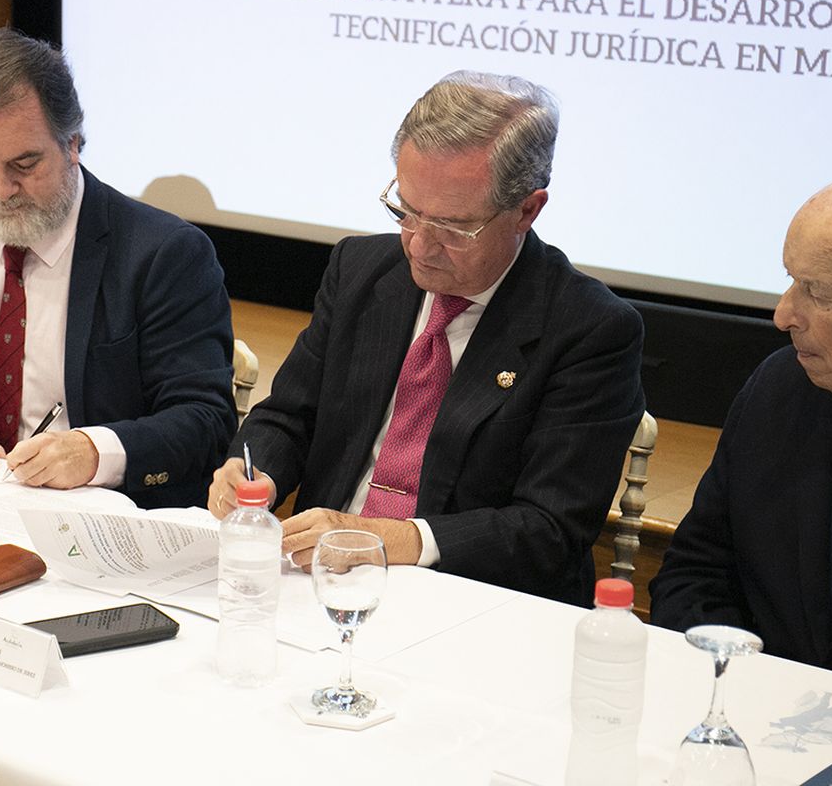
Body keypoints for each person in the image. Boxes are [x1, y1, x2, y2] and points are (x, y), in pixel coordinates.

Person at [208, 71, 645, 605]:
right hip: (318, 583)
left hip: (472, 602)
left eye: (453, 228)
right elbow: (289, 416)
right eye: (407, 211)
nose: (419, 245)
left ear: (527, 210)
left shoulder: (589, 328)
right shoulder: (360, 269)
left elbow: (549, 529)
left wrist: (388, 539)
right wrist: (253, 473)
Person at [0, 27, 236, 508]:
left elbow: (204, 420)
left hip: (90, 514)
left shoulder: (163, 253)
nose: (1, 191)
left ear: (72, 143)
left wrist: (93, 451)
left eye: (24, 164)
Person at [651, 163, 832, 697]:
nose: (784, 314)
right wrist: (740, 687)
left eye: (818, 292)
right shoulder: (782, 387)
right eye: (790, 281)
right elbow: (697, 571)